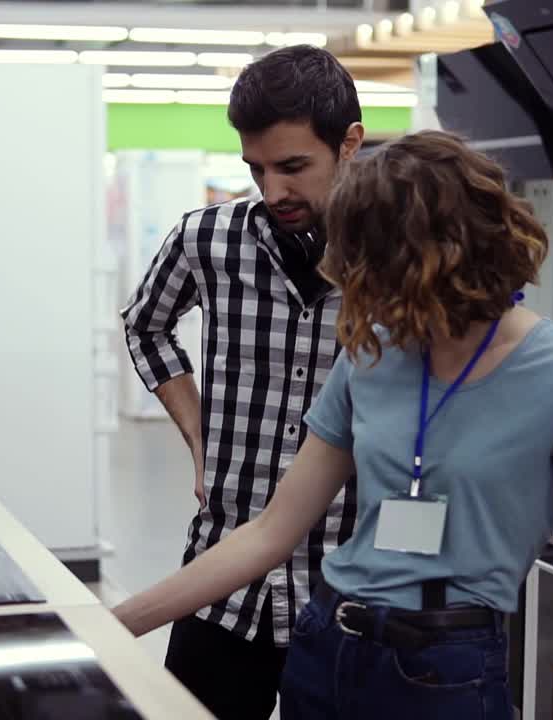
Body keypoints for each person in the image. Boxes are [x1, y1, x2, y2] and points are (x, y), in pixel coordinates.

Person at [115, 131, 553, 720]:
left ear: (437, 257)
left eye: (374, 271)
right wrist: (113, 626)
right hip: (324, 650)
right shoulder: (372, 355)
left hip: (445, 674)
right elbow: (268, 535)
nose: (359, 294)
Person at [119, 46, 364, 719]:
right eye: (256, 169)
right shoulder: (207, 240)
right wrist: (197, 432)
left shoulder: (395, 256)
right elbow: (145, 326)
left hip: (348, 593)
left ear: (349, 144)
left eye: (293, 167)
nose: (273, 190)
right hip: (222, 580)